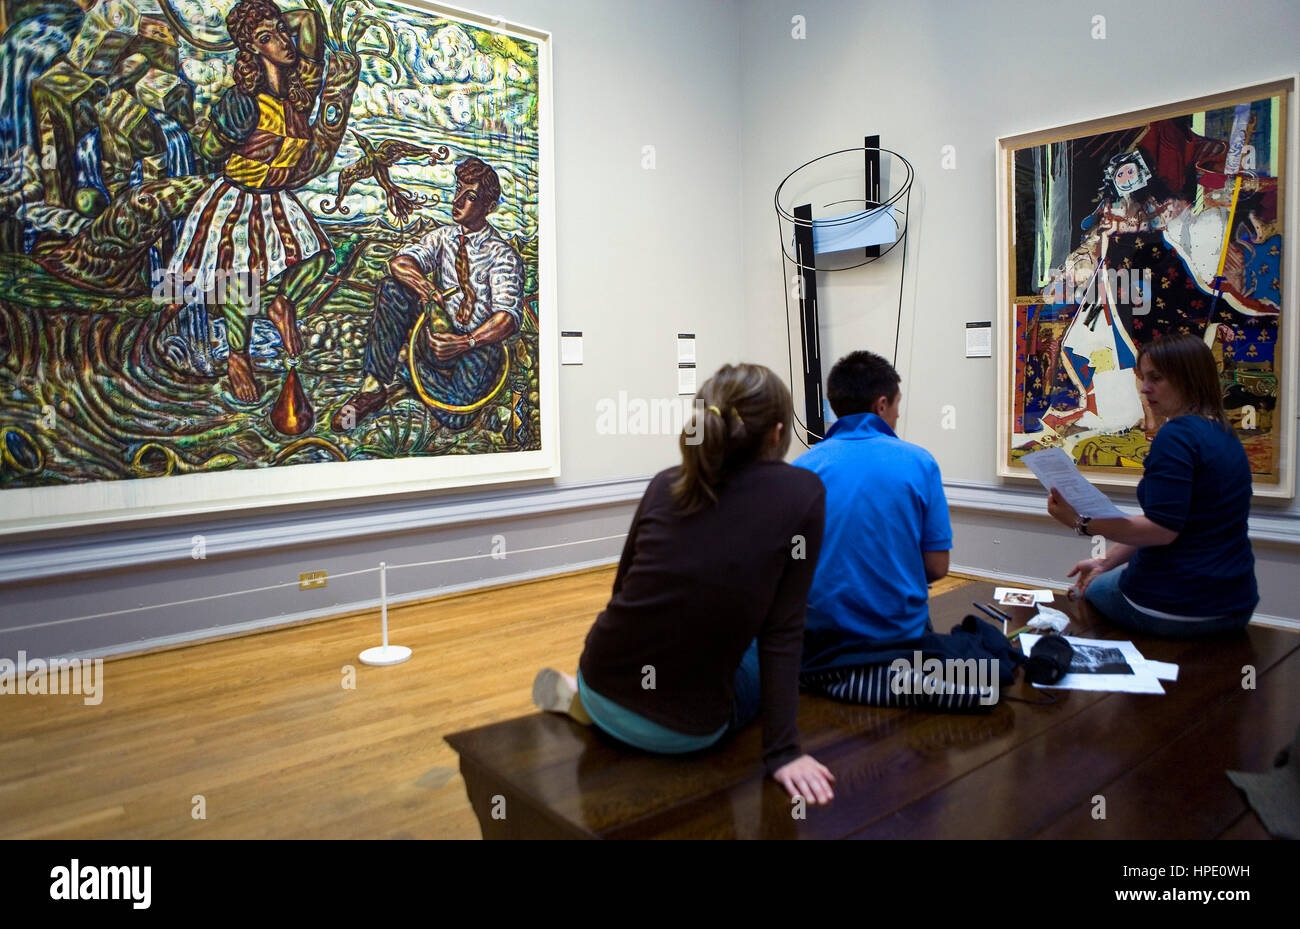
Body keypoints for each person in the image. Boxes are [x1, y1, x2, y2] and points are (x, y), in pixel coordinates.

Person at [532, 364, 835, 804]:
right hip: (690, 733)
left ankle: (587, 699)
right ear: (776, 433)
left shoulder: (664, 483)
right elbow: (783, 631)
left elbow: (623, 593)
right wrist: (783, 752)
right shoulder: (804, 493)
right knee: (756, 647)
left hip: (600, 680)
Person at [165, 0, 332, 403]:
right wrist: (234, 135)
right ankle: (238, 357)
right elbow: (208, 150)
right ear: (251, 51)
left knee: (318, 258)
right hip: (236, 199)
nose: (283, 41)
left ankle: (280, 302)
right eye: (266, 39)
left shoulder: (299, 94)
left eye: (280, 31)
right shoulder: (242, 102)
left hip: (276, 198)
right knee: (240, 282)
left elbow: (308, 20)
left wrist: (265, 24)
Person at [1048, 332, 1258, 637]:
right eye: (1144, 378)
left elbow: (1160, 530)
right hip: (1236, 603)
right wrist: (1105, 561)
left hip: (1179, 605)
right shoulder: (1224, 433)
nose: (1145, 389)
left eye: (1156, 378)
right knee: (1102, 576)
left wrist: (1081, 523)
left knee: (1088, 590)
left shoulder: (1175, 437)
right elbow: (1170, 522)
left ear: (1189, 378)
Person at [332, 156, 524, 432]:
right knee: (392, 288)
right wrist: (428, 288)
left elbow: (507, 318)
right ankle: (373, 386)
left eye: (469, 196)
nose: (457, 201)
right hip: (436, 332)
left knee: (457, 418)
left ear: (489, 207)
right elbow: (400, 263)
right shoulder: (443, 237)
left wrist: (464, 342)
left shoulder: (502, 254)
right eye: (457, 190)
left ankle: (405, 368)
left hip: (475, 346)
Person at [793, 350, 952, 657]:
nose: (897, 416)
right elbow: (937, 566)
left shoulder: (802, 468)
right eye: (897, 406)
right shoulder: (920, 463)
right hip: (900, 640)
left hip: (823, 645)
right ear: (882, 405)